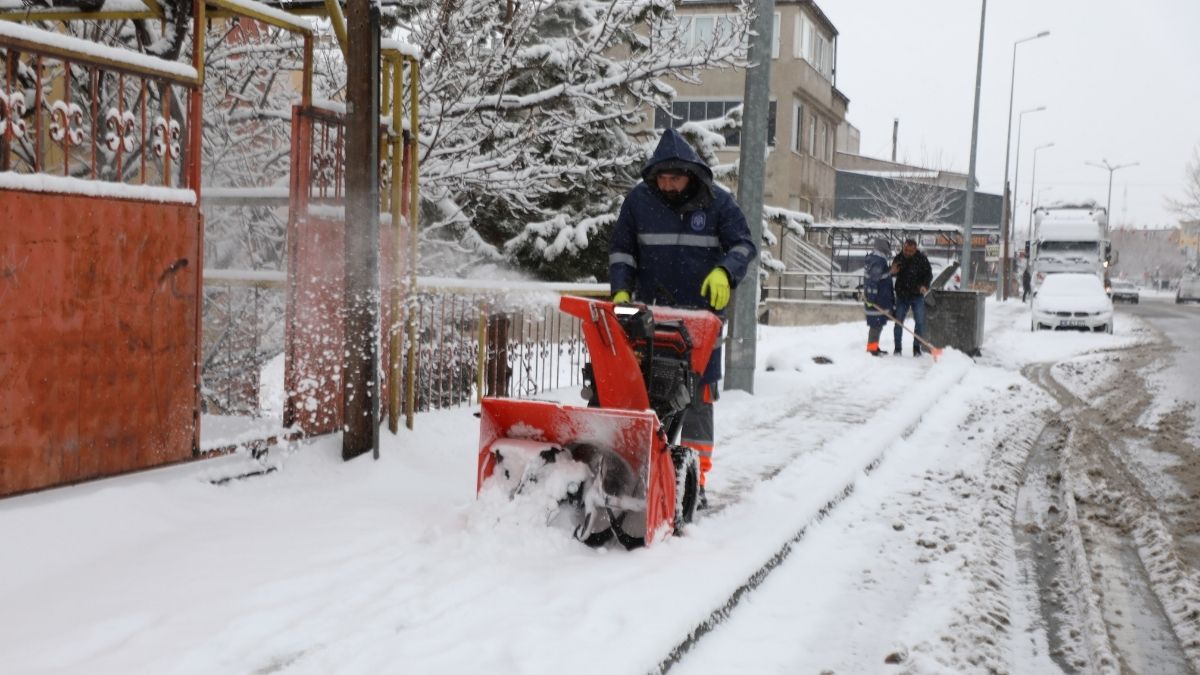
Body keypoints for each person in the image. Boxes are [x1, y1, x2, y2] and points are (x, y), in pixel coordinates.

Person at [609, 128, 757, 508]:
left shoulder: (718, 205)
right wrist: (621, 290)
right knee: (642, 396)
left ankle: (694, 479)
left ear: (690, 174)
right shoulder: (638, 203)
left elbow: (743, 243)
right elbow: (622, 251)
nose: (668, 184)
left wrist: (726, 271)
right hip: (647, 320)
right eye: (661, 177)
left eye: (674, 178)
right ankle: (640, 472)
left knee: (697, 401)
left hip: (699, 324)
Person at [890, 237, 932, 356]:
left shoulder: (922, 259)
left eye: (910, 251)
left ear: (915, 249)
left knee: (919, 322)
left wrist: (924, 285)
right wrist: (892, 272)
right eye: (905, 250)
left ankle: (916, 348)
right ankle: (897, 348)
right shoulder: (899, 258)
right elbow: (892, 273)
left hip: (917, 295)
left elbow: (928, 274)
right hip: (902, 295)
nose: (907, 253)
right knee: (898, 322)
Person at [862, 238, 895, 356]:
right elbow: (873, 281)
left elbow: (880, 276)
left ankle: (874, 347)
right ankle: (872, 350)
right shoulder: (878, 261)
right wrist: (871, 298)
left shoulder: (872, 259)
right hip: (876, 301)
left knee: (877, 325)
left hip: (878, 300)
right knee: (876, 326)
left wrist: (890, 272)